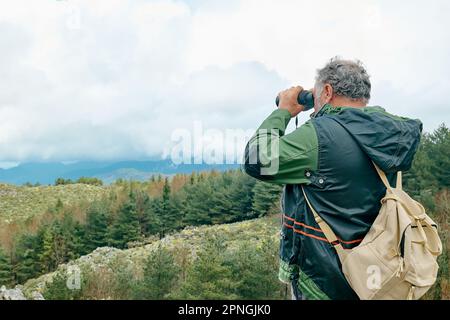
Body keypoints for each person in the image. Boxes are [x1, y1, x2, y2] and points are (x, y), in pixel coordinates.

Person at [243, 57, 423, 300]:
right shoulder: (388, 132)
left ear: (327, 91)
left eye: (315, 95)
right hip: (375, 272)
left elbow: (256, 159)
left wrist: (283, 112)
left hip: (325, 279)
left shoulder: (321, 135)